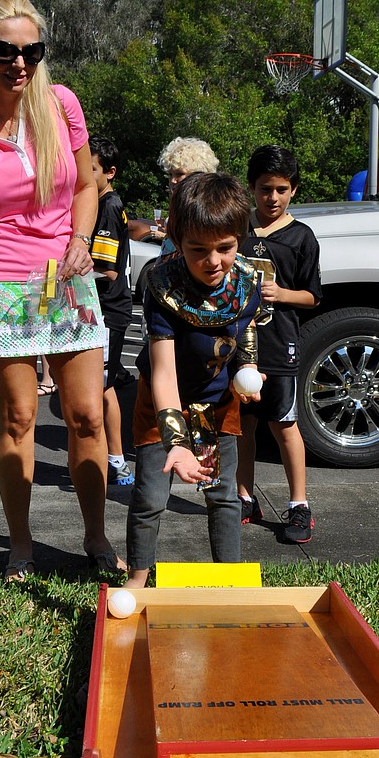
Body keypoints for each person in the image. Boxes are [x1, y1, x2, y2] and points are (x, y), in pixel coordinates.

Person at [0, 0, 123, 581]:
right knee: (17, 418)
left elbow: (87, 187)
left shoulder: (61, 105)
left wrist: (80, 243)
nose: (20, 63)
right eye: (4, 50)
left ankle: (95, 536)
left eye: (32, 50)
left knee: (87, 414)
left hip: (66, 275)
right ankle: (20, 545)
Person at [125, 172, 261, 589]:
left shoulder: (246, 284)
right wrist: (178, 444)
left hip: (218, 402)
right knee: (150, 496)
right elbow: (163, 371)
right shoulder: (162, 285)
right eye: (198, 250)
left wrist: (247, 367)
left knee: (223, 496)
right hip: (162, 402)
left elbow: (246, 327)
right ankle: (138, 577)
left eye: (225, 248)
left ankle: (232, 581)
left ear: (240, 238)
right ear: (177, 240)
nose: (213, 261)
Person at [236, 145, 322, 544]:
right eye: (265, 189)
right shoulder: (237, 229)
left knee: (284, 424)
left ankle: (299, 504)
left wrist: (280, 294)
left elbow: (313, 296)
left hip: (279, 344)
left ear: (294, 190)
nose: (273, 198)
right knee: (241, 426)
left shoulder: (301, 237)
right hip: (236, 345)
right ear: (251, 188)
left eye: (282, 190)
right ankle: (243, 497)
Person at [89, 135, 134, 486]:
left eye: (91, 170)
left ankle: (117, 460)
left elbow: (108, 271)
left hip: (108, 311)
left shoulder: (107, 205)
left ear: (110, 172)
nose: (85, 176)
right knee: (97, 387)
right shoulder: (96, 202)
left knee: (104, 387)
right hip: (98, 310)